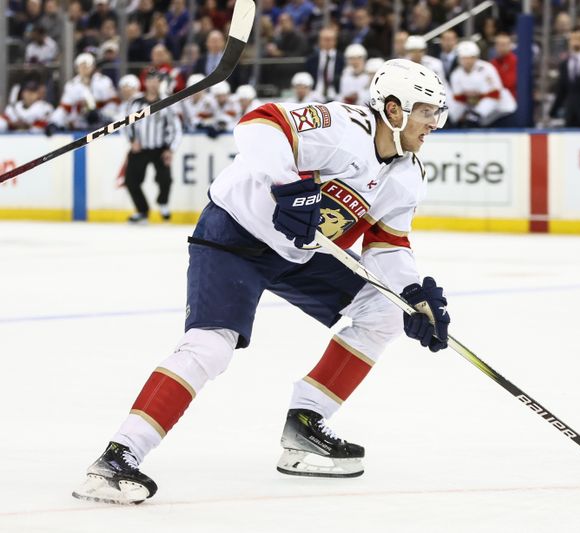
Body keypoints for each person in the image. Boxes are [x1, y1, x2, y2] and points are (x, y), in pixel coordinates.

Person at [72, 58, 451, 505]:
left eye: (437, 112)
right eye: (426, 111)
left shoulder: (407, 175)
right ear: (394, 109)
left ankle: (306, 425)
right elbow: (258, 124)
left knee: (383, 311)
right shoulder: (342, 126)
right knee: (212, 345)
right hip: (236, 233)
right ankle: (117, 458)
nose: (434, 123)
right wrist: (288, 183)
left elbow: (386, 243)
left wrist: (412, 295)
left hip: (297, 253)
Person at [123, 68, 183, 224]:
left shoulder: (167, 102)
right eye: (150, 80)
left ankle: (162, 202)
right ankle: (142, 211)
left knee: (165, 180)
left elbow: (175, 128)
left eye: (157, 80)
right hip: (140, 148)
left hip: (160, 148)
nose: (153, 84)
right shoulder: (135, 102)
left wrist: (170, 149)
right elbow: (126, 124)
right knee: (131, 181)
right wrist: (132, 140)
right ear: (145, 82)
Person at [449, 40, 516, 127]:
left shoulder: (486, 69)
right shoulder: (456, 75)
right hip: (479, 113)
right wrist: (454, 116)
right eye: (464, 58)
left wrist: (477, 113)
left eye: (471, 57)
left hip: (501, 111)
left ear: (476, 57)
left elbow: (495, 95)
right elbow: (459, 99)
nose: (468, 61)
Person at [47, 52, 118, 133]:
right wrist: (53, 122)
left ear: (93, 67)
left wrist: (104, 116)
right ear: (77, 68)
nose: (84, 68)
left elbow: (113, 104)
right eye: (81, 66)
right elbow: (64, 108)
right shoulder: (72, 85)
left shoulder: (104, 81)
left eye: (87, 65)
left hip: (102, 126)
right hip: (78, 126)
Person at [306, 27, 345, 102]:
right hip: (315, 94)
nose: (327, 42)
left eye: (330, 39)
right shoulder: (311, 59)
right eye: (325, 39)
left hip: (336, 94)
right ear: (319, 41)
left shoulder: (342, 59)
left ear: (335, 41)